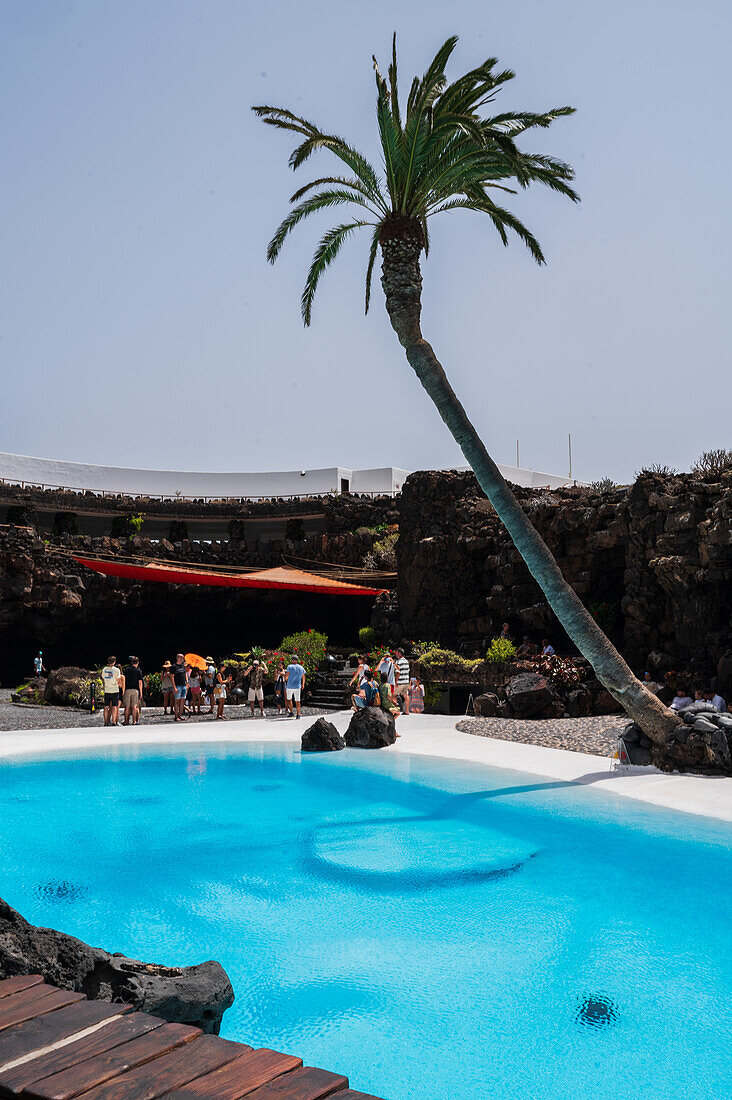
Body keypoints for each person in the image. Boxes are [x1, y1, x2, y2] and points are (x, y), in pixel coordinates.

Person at [101, 656, 123, 727]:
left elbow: (103, 679)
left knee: (106, 706)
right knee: (114, 706)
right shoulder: (116, 670)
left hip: (107, 690)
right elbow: (118, 679)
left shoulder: (104, 669)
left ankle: (106, 722)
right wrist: (119, 684)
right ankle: (114, 722)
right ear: (114, 662)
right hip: (114, 690)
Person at [122, 656, 144, 726]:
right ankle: (134, 721)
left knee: (127, 706)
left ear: (131, 662)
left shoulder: (127, 670)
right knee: (134, 706)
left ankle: (126, 721)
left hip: (127, 689)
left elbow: (124, 680)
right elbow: (140, 682)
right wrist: (141, 692)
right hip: (135, 690)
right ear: (138, 663)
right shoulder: (139, 671)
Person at [285, 654, 306, 719]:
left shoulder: (289, 666)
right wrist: (303, 684)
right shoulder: (301, 667)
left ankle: (291, 712)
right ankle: (298, 714)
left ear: (292, 660)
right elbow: (303, 676)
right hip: (298, 686)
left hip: (290, 686)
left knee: (289, 699)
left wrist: (285, 677)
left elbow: (287, 676)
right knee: (298, 701)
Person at [171, 653, 188, 722]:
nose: (183, 659)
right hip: (177, 686)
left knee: (182, 701)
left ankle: (180, 715)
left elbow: (185, 674)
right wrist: (174, 687)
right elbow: (172, 677)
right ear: (179, 658)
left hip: (183, 685)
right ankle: (176, 716)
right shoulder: (174, 666)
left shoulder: (183, 666)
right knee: (177, 701)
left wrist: (187, 682)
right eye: (182, 658)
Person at [394, 648, 411, 713]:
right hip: (406, 681)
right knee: (406, 696)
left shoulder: (398, 662)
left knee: (394, 695)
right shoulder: (406, 661)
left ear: (399, 653)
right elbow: (408, 672)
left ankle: (395, 710)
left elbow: (398, 673)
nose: (396, 654)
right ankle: (407, 710)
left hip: (400, 682)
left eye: (396, 652)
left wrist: (396, 682)